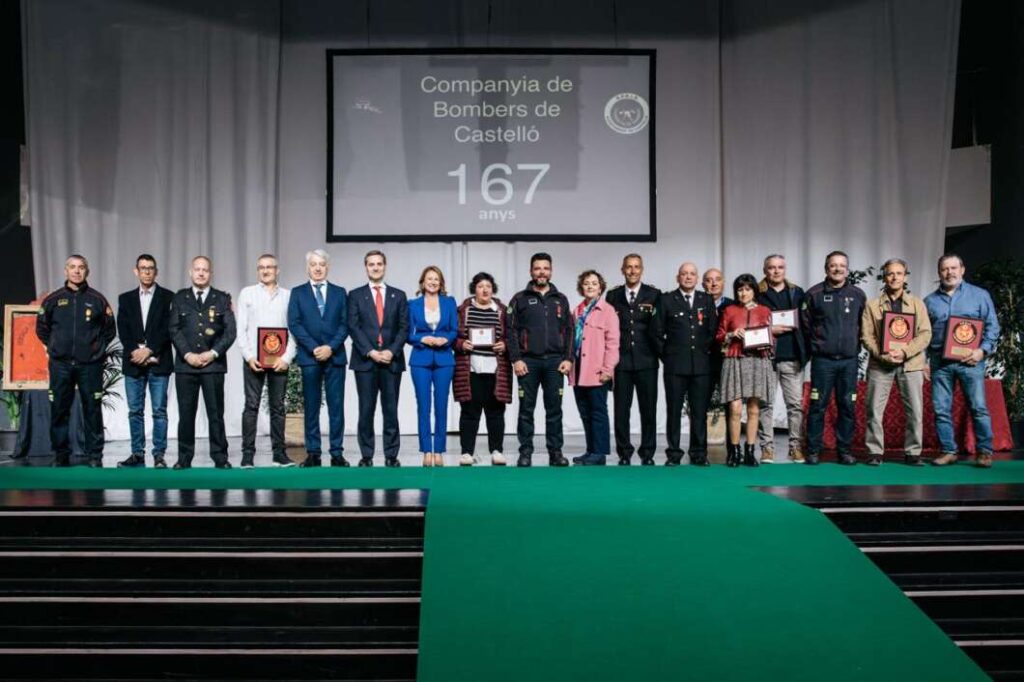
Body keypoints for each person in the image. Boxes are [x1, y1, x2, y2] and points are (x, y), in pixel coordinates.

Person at [36, 254, 116, 467]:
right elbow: (41, 328)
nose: (77, 271)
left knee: (92, 409)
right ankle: (60, 455)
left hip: (90, 365)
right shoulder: (53, 300)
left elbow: (109, 330)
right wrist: (55, 347)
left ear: (87, 271)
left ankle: (94, 456)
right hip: (60, 365)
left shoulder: (97, 299)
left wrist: (95, 350)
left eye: (81, 267)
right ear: (66, 271)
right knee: (59, 409)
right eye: (72, 267)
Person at [925, 253, 1001, 468]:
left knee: (978, 407)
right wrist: (923, 361)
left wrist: (982, 351)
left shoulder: (980, 295)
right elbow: (924, 334)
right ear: (939, 272)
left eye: (953, 268)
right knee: (941, 409)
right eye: (944, 269)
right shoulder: (930, 301)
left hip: (971, 361)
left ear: (962, 270)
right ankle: (949, 451)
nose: (949, 272)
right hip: (940, 363)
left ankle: (984, 451)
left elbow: (992, 326)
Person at [860, 258, 932, 466]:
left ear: (905, 277)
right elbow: (867, 336)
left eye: (899, 273)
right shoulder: (872, 306)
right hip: (880, 364)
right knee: (874, 410)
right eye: (890, 273)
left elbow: (925, 334)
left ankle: (913, 453)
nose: (894, 277)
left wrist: (905, 352)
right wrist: (883, 355)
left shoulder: (917, 304)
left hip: (911, 364)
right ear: (884, 277)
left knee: (915, 411)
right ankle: (875, 452)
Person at [168, 256, 236, 469]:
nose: (200, 273)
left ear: (210, 273)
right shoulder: (180, 297)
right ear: (191, 272)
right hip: (185, 365)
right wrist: (188, 354)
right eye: (197, 269)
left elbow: (230, 332)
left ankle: (220, 458)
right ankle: (184, 458)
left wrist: (213, 353)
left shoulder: (222, 299)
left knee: (216, 414)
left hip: (213, 366)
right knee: (186, 414)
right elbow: (174, 329)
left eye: (205, 270)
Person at [507, 252, 574, 467]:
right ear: (531, 271)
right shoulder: (519, 299)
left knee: (554, 410)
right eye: (537, 268)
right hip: (528, 363)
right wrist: (516, 359)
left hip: (555, 362)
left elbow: (570, 330)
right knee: (526, 409)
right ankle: (525, 452)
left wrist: (568, 359)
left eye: (545, 268)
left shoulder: (561, 299)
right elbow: (510, 331)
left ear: (551, 271)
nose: (541, 272)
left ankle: (555, 452)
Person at [649, 261, 718, 466]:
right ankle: (674, 453)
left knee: (699, 412)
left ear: (697, 278)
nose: (688, 277)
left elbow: (712, 330)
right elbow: (655, 332)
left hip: (701, 365)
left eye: (692, 274)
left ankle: (698, 453)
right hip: (675, 366)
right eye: (684, 274)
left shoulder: (706, 300)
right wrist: (668, 356)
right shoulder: (666, 300)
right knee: (674, 411)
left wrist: (703, 352)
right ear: (678, 278)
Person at [801, 250, 866, 465]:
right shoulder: (814, 294)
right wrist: (818, 345)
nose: (837, 269)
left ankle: (844, 450)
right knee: (817, 405)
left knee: (847, 406)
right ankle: (813, 450)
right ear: (826, 268)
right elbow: (805, 326)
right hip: (823, 362)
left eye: (842, 265)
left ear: (847, 269)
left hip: (849, 361)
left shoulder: (858, 295)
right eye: (833, 265)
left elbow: (864, 325)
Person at [287, 249, 348, 467]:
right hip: (309, 357)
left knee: (336, 407)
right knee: (311, 406)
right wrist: (314, 348)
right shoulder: (298, 293)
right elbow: (294, 323)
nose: (318, 268)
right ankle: (313, 452)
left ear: (327, 267)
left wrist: (330, 347)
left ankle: (337, 452)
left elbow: (345, 324)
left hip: (335, 357)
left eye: (322, 264)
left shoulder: (340, 293)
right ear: (308, 268)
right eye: (313, 264)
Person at [348, 250, 408, 467]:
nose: (375, 267)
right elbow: (353, 327)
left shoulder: (398, 295)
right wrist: (370, 352)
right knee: (366, 410)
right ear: (366, 267)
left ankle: (391, 455)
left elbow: (404, 327)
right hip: (365, 361)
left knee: (391, 410)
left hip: (392, 361)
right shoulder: (355, 295)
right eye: (371, 264)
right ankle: (366, 455)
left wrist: (391, 351)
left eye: (379, 264)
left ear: (385, 266)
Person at [239, 254, 297, 468]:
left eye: (269, 267)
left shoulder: (288, 296)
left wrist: (287, 358)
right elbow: (241, 329)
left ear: (277, 270)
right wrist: (248, 356)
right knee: (251, 406)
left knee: (278, 407)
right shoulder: (247, 293)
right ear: (258, 271)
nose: (265, 271)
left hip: (279, 361)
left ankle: (279, 454)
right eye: (261, 267)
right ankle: (247, 455)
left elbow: (294, 331)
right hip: (253, 360)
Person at [116, 254, 173, 468]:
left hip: (159, 361)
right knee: (135, 411)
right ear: (136, 271)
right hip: (133, 363)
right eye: (143, 268)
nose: (147, 272)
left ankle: (159, 455)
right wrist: (136, 351)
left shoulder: (168, 297)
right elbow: (123, 329)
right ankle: (137, 454)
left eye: (150, 268)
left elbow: (168, 329)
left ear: (156, 272)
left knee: (159, 411)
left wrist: (149, 350)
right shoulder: (125, 298)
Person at [605, 254, 661, 465]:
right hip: (621, 362)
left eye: (636, 267)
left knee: (648, 410)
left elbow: (659, 328)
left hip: (647, 361)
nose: (632, 271)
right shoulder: (613, 295)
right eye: (628, 267)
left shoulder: (654, 294)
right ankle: (624, 452)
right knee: (621, 410)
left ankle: (648, 452)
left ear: (642, 270)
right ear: (622, 270)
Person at [715, 274, 775, 467]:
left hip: (757, 361)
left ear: (754, 291)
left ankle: (750, 451)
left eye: (747, 289)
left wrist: (765, 342)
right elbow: (719, 336)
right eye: (740, 289)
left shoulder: (764, 311)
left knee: (753, 408)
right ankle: (734, 451)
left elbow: (771, 338)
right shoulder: (729, 310)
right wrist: (732, 334)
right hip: (734, 360)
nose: (743, 293)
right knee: (734, 408)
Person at [454, 272, 512, 466]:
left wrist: (505, 345)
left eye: (488, 286)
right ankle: (466, 452)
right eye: (480, 286)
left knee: (496, 412)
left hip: (496, 369)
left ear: (493, 289)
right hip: (470, 369)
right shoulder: (463, 310)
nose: (485, 290)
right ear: (474, 289)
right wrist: (461, 344)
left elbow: (511, 335)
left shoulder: (502, 310)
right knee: (469, 412)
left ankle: (496, 451)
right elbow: (453, 335)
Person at [756, 254, 809, 463]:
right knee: (765, 404)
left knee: (795, 405)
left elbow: (807, 322)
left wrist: (806, 351)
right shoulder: (757, 293)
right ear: (765, 270)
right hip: (765, 357)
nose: (776, 271)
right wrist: (770, 330)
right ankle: (767, 448)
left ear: (785, 269)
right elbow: (749, 324)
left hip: (792, 356)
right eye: (771, 267)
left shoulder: (797, 292)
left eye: (780, 267)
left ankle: (795, 447)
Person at [408, 266, 458, 466]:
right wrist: (423, 338)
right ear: (422, 282)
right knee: (423, 406)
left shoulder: (449, 302)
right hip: (420, 359)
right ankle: (426, 450)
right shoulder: (413, 304)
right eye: (429, 278)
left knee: (441, 406)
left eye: (436, 279)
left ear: (441, 283)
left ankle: (439, 450)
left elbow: (454, 330)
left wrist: (445, 339)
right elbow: (408, 334)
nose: (433, 282)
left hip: (444, 359)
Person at [569, 270, 620, 465]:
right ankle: (590, 450)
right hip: (578, 370)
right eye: (586, 283)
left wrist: (608, 369)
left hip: (597, 370)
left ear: (600, 288)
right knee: (585, 412)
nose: (590, 286)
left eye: (594, 283)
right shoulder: (577, 311)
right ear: (581, 288)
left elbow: (613, 344)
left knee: (598, 411)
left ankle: (600, 452)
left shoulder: (608, 311)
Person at [703, 267, 732, 414]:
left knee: (730, 405)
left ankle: (730, 431)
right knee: (700, 404)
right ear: (703, 285)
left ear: (723, 283)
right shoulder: (696, 304)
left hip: (727, 361)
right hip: (703, 361)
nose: (714, 284)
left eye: (717, 280)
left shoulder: (733, 305)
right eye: (709, 281)